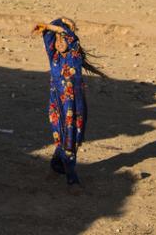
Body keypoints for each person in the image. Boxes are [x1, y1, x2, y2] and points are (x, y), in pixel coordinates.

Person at [32, 17, 104, 189]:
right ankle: (66, 174)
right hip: (57, 107)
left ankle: (63, 173)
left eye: (61, 38)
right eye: (56, 40)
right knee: (64, 140)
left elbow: (70, 36)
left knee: (70, 140)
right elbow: (48, 35)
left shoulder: (74, 55)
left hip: (75, 108)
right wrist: (60, 20)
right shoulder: (53, 57)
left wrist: (59, 26)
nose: (59, 43)